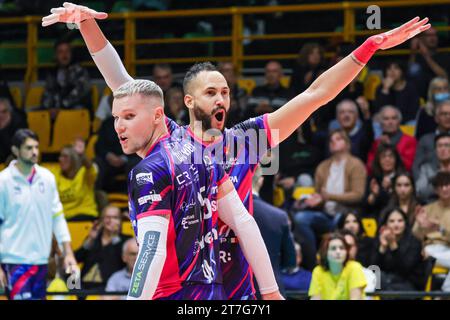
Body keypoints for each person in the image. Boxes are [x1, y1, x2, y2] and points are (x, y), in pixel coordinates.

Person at [43, 3, 429, 299]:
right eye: (212, 91)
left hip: (238, 272)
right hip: (185, 274)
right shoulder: (172, 142)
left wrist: (368, 48)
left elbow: (315, 96)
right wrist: (86, 23)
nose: (222, 96)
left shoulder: (246, 140)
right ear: (189, 100)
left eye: (226, 90)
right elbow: (121, 82)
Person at [112, 79, 282, 300]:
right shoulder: (199, 153)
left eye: (129, 116)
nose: (119, 126)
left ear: (157, 116)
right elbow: (244, 221)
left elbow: (152, 250)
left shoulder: (149, 170)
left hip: (172, 294)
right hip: (211, 293)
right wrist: (271, 291)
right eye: (116, 117)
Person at [0, 129, 77, 300]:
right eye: (28, 148)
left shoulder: (47, 178)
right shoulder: (3, 181)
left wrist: (68, 253)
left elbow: (57, 217)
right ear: (15, 151)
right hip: (14, 261)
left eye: (36, 147)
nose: (34, 151)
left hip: (41, 260)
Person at [293, 129, 367, 270]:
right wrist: (314, 200)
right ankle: (313, 261)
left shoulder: (356, 165)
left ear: (347, 143)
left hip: (347, 214)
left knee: (340, 219)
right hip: (326, 215)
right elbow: (320, 195)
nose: (334, 142)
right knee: (301, 218)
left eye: (338, 139)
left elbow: (358, 195)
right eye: (331, 140)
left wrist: (329, 196)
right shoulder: (323, 167)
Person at [252, 165, 296, 296]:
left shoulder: (222, 215)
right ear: (260, 180)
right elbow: (290, 261)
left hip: (232, 291)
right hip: (270, 291)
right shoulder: (278, 216)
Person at [75, 205, 129, 290]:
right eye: (107, 217)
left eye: (115, 217)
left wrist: (114, 236)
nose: (111, 221)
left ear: (121, 221)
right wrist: (90, 239)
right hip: (84, 288)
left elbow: (123, 262)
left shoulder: (126, 241)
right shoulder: (94, 239)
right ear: (102, 220)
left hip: (109, 289)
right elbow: (76, 259)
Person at [371, 208, 424, 291]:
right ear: (385, 224)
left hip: (408, 285)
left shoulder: (415, 243)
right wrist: (383, 247)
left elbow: (404, 270)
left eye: (400, 221)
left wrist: (393, 245)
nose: (396, 224)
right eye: (391, 221)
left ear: (405, 223)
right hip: (385, 282)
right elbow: (373, 269)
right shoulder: (380, 240)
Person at [41, 39, 91, 119]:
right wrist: (48, 108)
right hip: (55, 110)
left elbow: (79, 93)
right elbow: (48, 93)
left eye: (67, 51)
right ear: (56, 55)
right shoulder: (52, 73)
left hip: (75, 109)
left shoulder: (79, 71)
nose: (64, 55)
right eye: (60, 52)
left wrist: (60, 107)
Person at [309, 233, 367, 300]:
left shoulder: (354, 267)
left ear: (346, 252)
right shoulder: (318, 271)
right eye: (333, 248)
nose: (338, 252)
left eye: (342, 248)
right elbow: (315, 298)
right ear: (325, 252)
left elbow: (355, 298)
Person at [54, 139, 99, 221]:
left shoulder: (85, 173)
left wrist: (82, 155)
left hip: (85, 216)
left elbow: (90, 167)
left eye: (65, 156)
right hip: (64, 219)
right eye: (60, 156)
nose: (60, 159)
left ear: (74, 159)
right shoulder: (55, 174)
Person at [413, 171, 450, 270]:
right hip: (429, 248)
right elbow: (415, 235)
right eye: (440, 186)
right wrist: (420, 225)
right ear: (435, 190)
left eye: (447, 185)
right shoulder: (427, 209)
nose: (444, 189)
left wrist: (439, 228)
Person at [367, 106, 417, 173]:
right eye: (386, 119)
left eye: (394, 118)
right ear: (381, 123)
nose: (390, 122)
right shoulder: (377, 142)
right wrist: (379, 148)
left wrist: (390, 147)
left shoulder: (410, 141)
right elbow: (369, 168)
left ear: (399, 122)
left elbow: (408, 166)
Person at [364, 144, 404, 218]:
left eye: (391, 156)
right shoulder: (373, 179)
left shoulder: (402, 177)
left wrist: (389, 189)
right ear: (378, 160)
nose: (387, 159)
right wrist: (374, 195)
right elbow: (366, 207)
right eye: (383, 157)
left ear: (396, 159)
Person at [409, 27, 449, 99]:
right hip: (420, 97)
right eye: (429, 35)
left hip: (440, 95)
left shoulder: (445, 55)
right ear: (421, 38)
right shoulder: (417, 57)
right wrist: (413, 52)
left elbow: (444, 76)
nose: (433, 38)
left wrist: (426, 56)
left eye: (434, 35)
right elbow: (410, 73)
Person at [413, 100, 450, 178]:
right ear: (436, 118)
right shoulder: (425, 140)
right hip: (430, 183)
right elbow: (416, 166)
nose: (448, 117)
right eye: (444, 114)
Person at [415, 132, 450, 203]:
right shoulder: (426, 168)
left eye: (447, 145)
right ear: (435, 150)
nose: (443, 149)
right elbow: (419, 192)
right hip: (433, 206)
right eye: (439, 146)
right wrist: (437, 180)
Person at [341, 230, 377, 297]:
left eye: (350, 246)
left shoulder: (368, 275)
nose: (347, 250)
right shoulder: (323, 273)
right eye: (343, 246)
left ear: (356, 248)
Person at [217, 61, 247, 127]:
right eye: (225, 71)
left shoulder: (241, 92)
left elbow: (243, 113)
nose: (228, 74)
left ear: (235, 75)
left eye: (230, 71)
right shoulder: (215, 93)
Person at [0, 97, 27, 164]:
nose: (1, 115)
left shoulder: (19, 123)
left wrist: (3, 129)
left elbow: (19, 148)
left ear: (10, 111)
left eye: (4, 111)